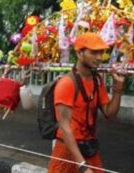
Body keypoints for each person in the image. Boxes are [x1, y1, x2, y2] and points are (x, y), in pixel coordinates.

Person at [48, 32, 125, 173]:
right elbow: (64, 127)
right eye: (94, 52)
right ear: (79, 53)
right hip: (67, 150)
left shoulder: (97, 80)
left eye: (101, 53)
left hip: (89, 148)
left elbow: (109, 113)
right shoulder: (67, 83)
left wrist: (118, 89)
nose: (99, 58)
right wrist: (82, 165)